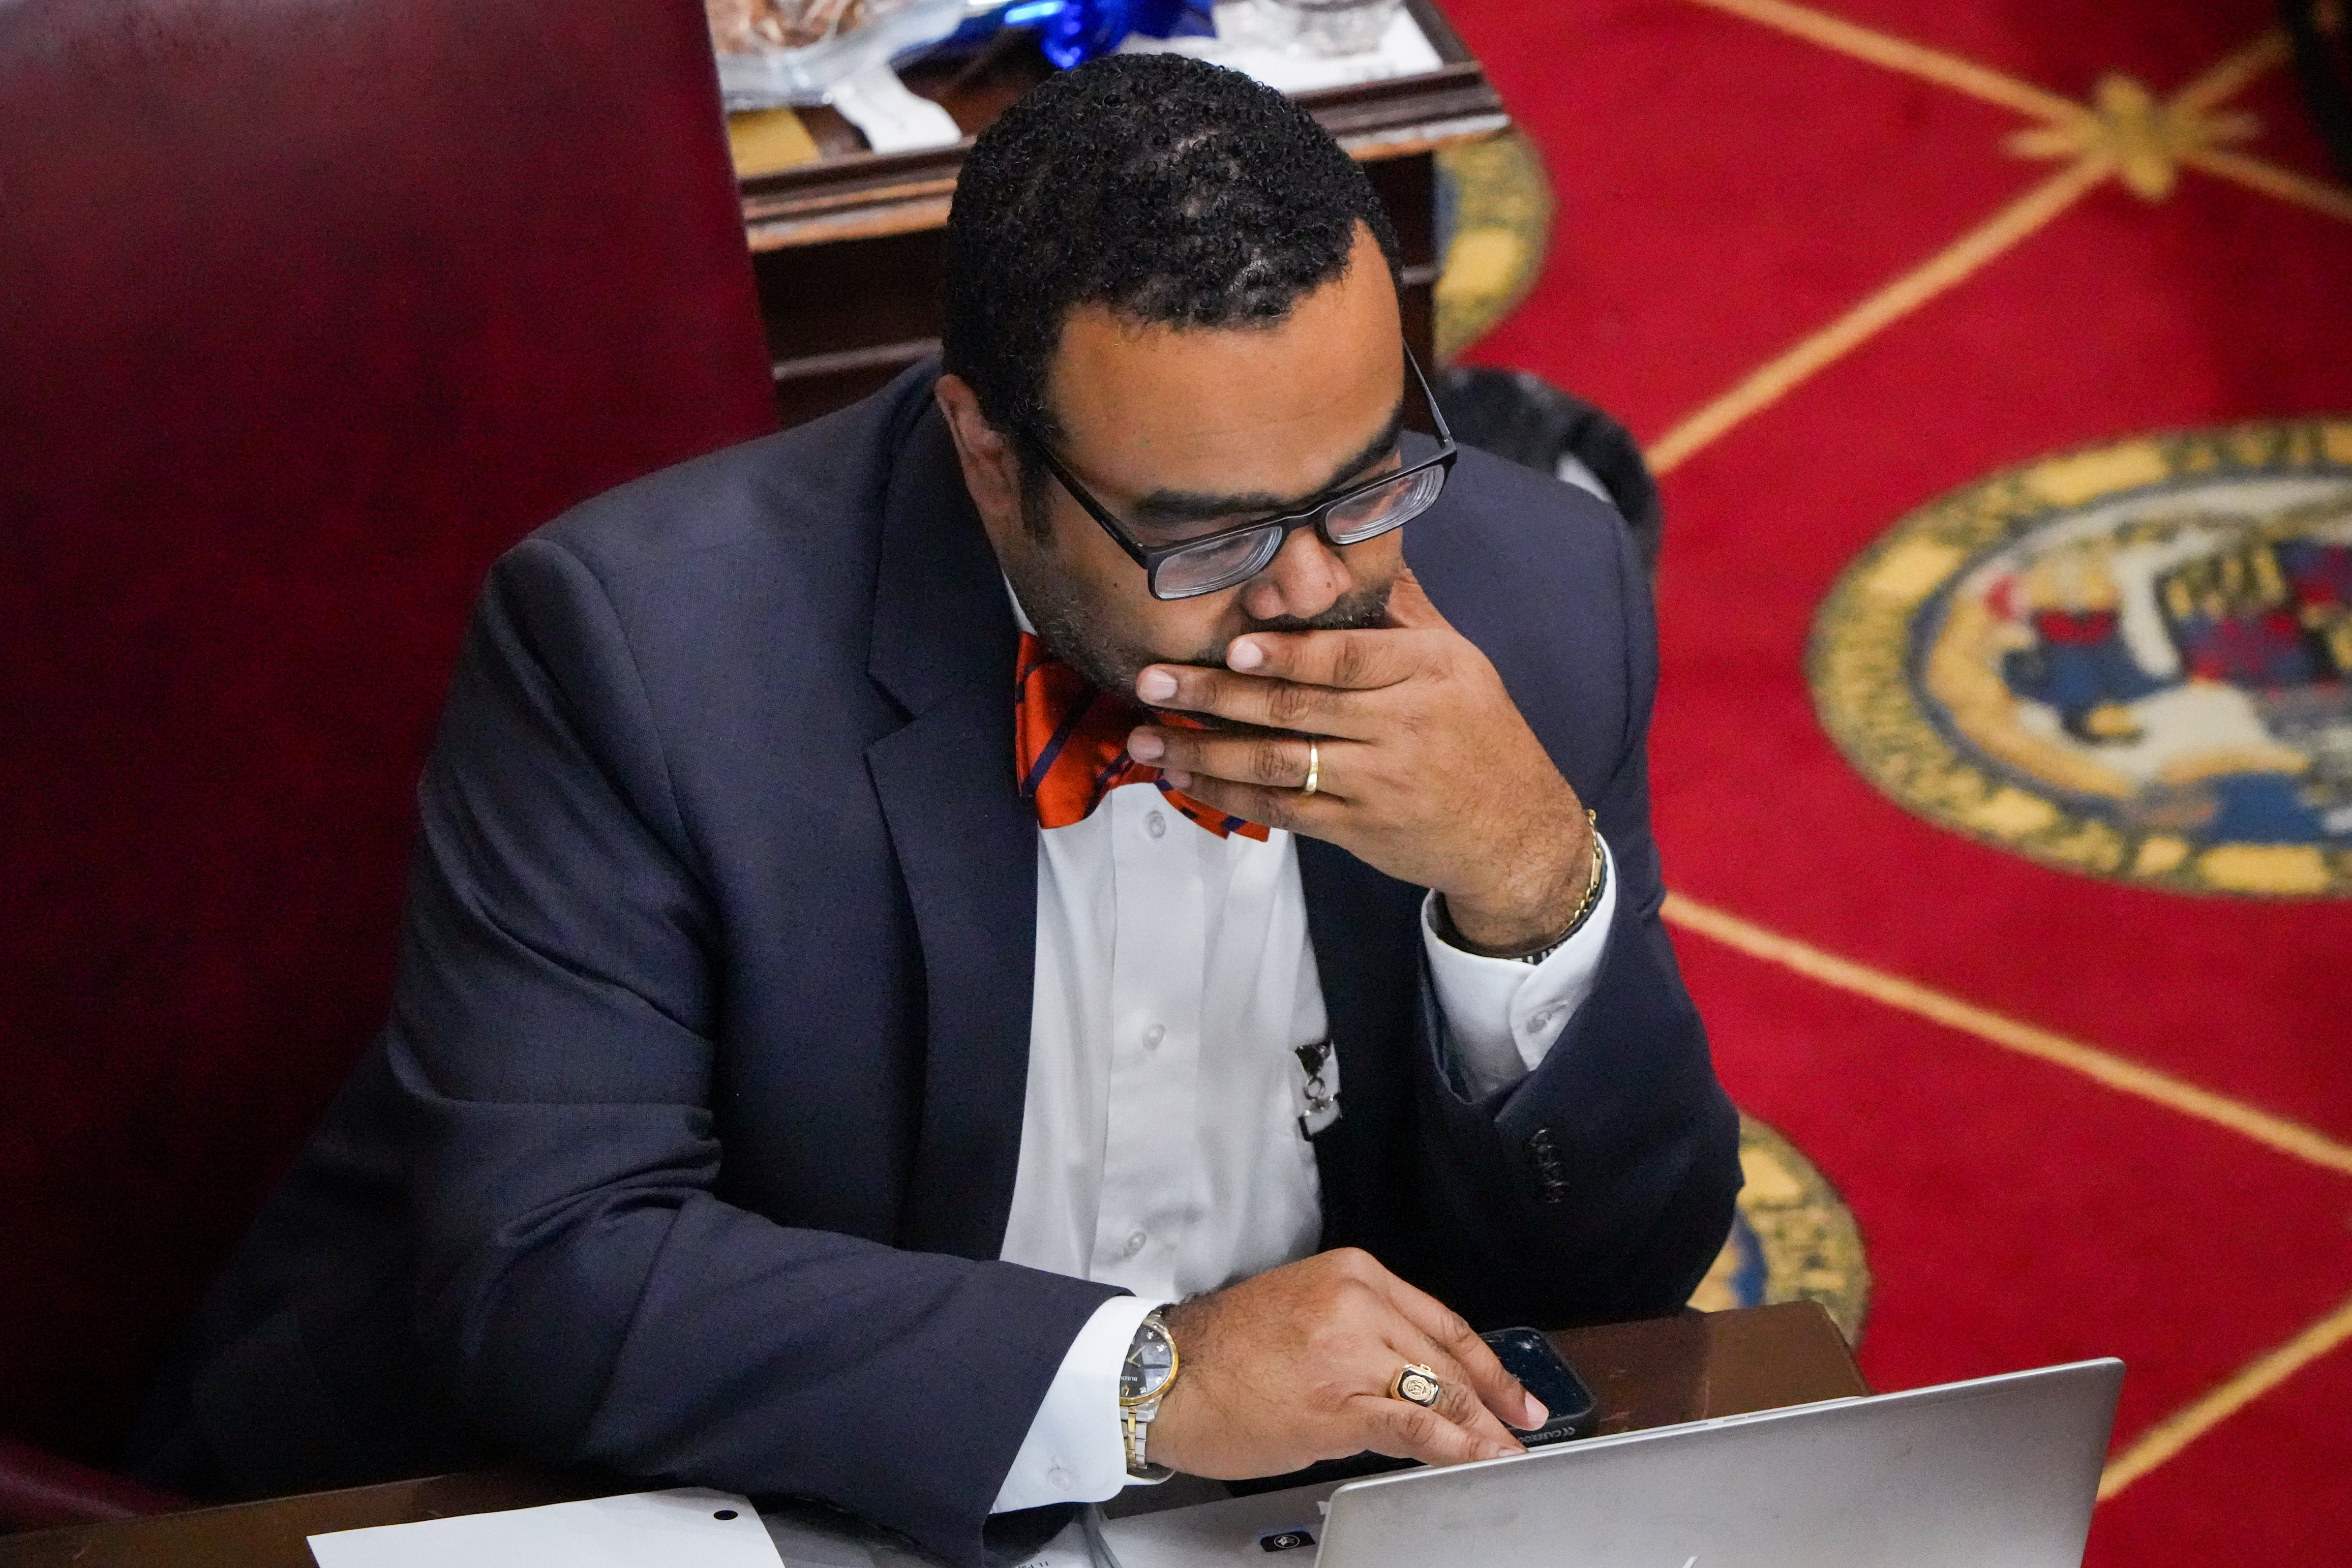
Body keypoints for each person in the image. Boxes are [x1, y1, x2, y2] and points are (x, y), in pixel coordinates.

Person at [131, 53, 1739, 1567]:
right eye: (1208, 536)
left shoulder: (1539, 595)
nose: (1317, 592)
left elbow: (1620, 1281)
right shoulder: (641, 652)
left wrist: (1530, 882)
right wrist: (1146, 1381)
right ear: (986, 451)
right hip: (756, 1497)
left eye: (1365, 480)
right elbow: (548, 1271)